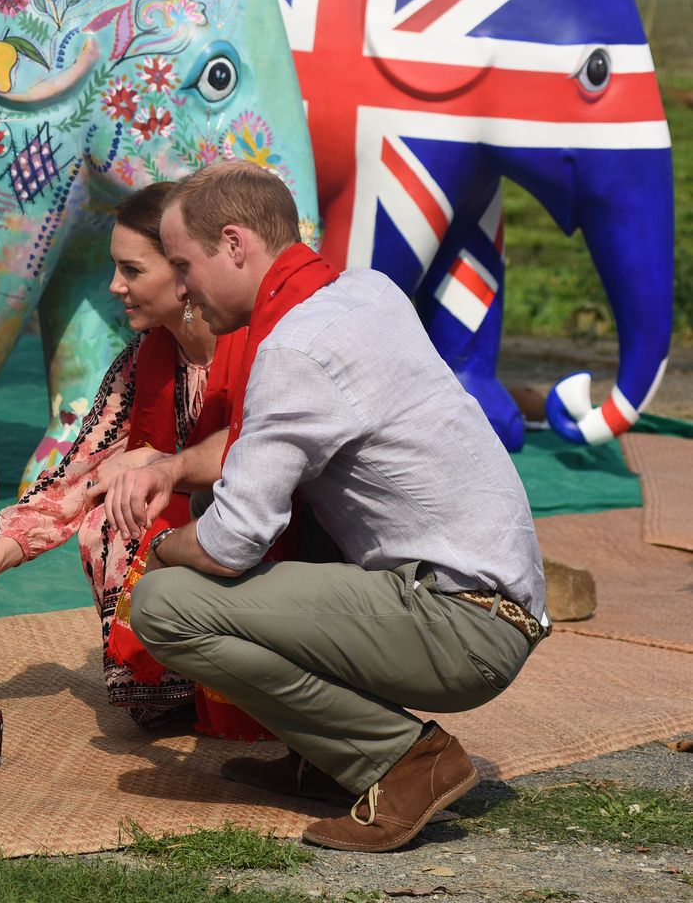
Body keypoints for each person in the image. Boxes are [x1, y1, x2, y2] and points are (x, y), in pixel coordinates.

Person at [109, 161, 546, 853]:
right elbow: (267, 452)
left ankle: (405, 762)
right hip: (483, 602)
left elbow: (230, 544)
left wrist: (156, 549)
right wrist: (177, 470)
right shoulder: (358, 292)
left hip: (461, 625)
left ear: (234, 244)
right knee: (297, 519)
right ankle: (327, 759)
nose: (183, 288)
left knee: (168, 603)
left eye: (184, 265)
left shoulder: (294, 348)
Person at [0, 182, 273, 739]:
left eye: (132, 270)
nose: (116, 286)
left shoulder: (264, 348)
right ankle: (169, 689)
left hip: (265, 537)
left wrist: (166, 463)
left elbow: (280, 465)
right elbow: (77, 477)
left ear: (183, 269)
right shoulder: (142, 360)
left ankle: (247, 685)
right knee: (108, 515)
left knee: (141, 503)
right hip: (196, 540)